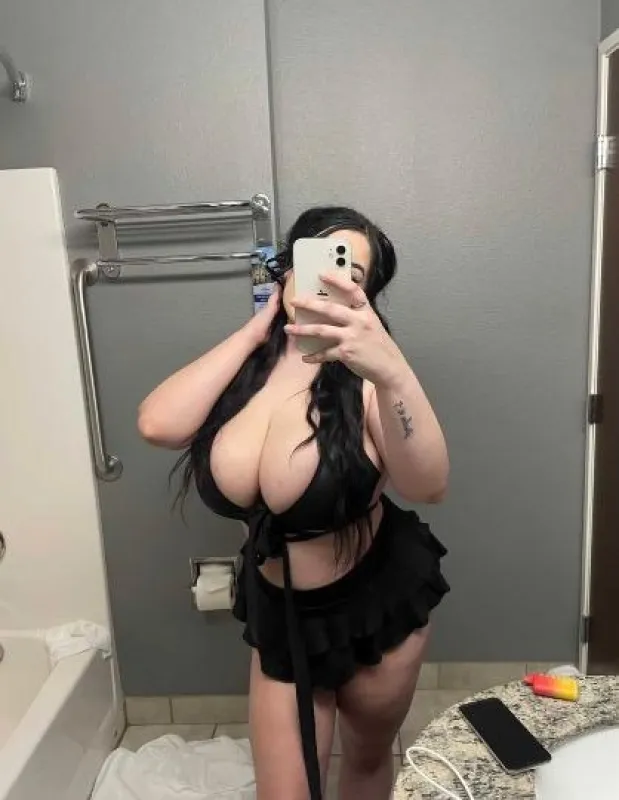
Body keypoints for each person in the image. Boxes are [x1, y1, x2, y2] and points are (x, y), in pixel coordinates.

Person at [138, 206, 450, 800]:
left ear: (365, 295)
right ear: (289, 267)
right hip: (280, 613)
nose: (331, 280)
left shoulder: (368, 378)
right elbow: (157, 424)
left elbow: (428, 484)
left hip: (373, 604)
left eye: (351, 273)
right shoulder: (246, 371)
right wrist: (257, 329)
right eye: (318, 261)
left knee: (365, 762)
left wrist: (393, 371)